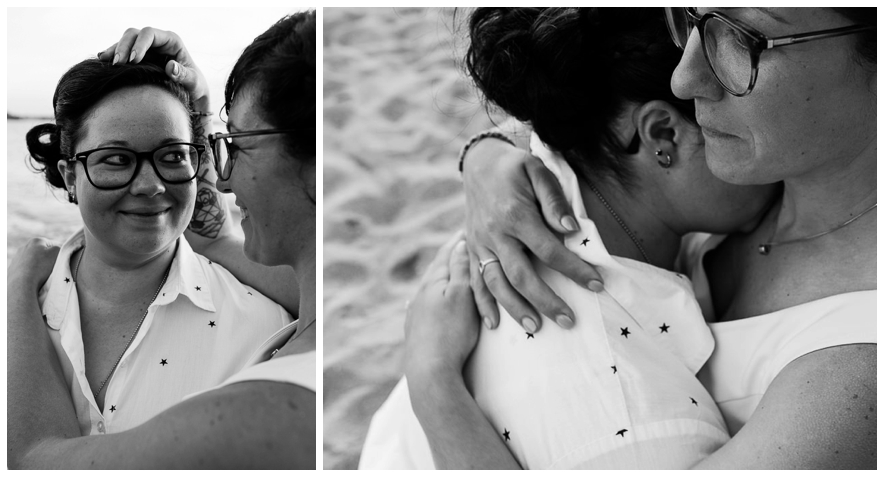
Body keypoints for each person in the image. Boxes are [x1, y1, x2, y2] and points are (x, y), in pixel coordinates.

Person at [411, 7, 877, 469]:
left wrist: (435, 389)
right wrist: (488, 160)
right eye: (693, 14)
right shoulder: (791, 154)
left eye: (745, 39)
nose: (685, 74)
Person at [362, 8, 777, 470]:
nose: (776, 161)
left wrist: (481, 150)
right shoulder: (637, 426)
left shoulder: (536, 184)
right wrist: (432, 384)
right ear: (663, 135)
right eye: (730, 132)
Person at [8, 10, 316, 469]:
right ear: (71, 174)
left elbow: (32, 458)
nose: (150, 184)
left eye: (173, 155)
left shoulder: (267, 327)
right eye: (116, 159)